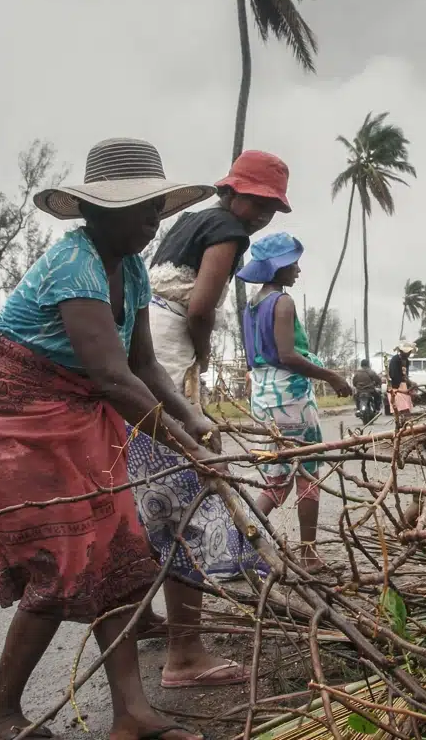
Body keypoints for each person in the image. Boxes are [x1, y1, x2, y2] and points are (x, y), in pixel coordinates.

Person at [0, 138, 216, 740]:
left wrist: (193, 419)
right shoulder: (75, 264)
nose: (154, 218)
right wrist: (184, 448)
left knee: (115, 551)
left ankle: (132, 713)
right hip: (3, 418)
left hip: (71, 414)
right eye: (141, 207)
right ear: (98, 213)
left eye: (157, 206)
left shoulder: (135, 269)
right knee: (63, 560)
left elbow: (144, 364)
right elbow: (111, 377)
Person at [125, 150, 288, 689]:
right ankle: (184, 654)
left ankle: (147, 618)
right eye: (259, 202)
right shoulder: (228, 230)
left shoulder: (188, 221)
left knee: (146, 495)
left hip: (141, 349)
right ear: (234, 192)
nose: (262, 215)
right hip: (166, 354)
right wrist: (205, 355)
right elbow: (199, 308)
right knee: (185, 498)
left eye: (271, 207)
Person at [238, 233, 353, 571]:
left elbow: (254, 358)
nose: (298, 269)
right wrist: (331, 376)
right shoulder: (283, 302)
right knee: (308, 473)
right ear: (278, 267)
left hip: (264, 395)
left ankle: (243, 546)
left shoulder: (253, 305)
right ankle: (308, 553)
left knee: (276, 476)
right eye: (293, 263)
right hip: (291, 396)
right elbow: (287, 355)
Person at [386, 342, 415, 422]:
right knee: (403, 410)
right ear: (401, 351)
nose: (407, 354)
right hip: (395, 388)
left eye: (409, 352)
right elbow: (394, 375)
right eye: (405, 352)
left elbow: (405, 376)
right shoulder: (395, 360)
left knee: (406, 410)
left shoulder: (407, 361)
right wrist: (395, 390)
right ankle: (403, 427)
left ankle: (405, 427)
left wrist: (410, 384)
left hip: (404, 387)